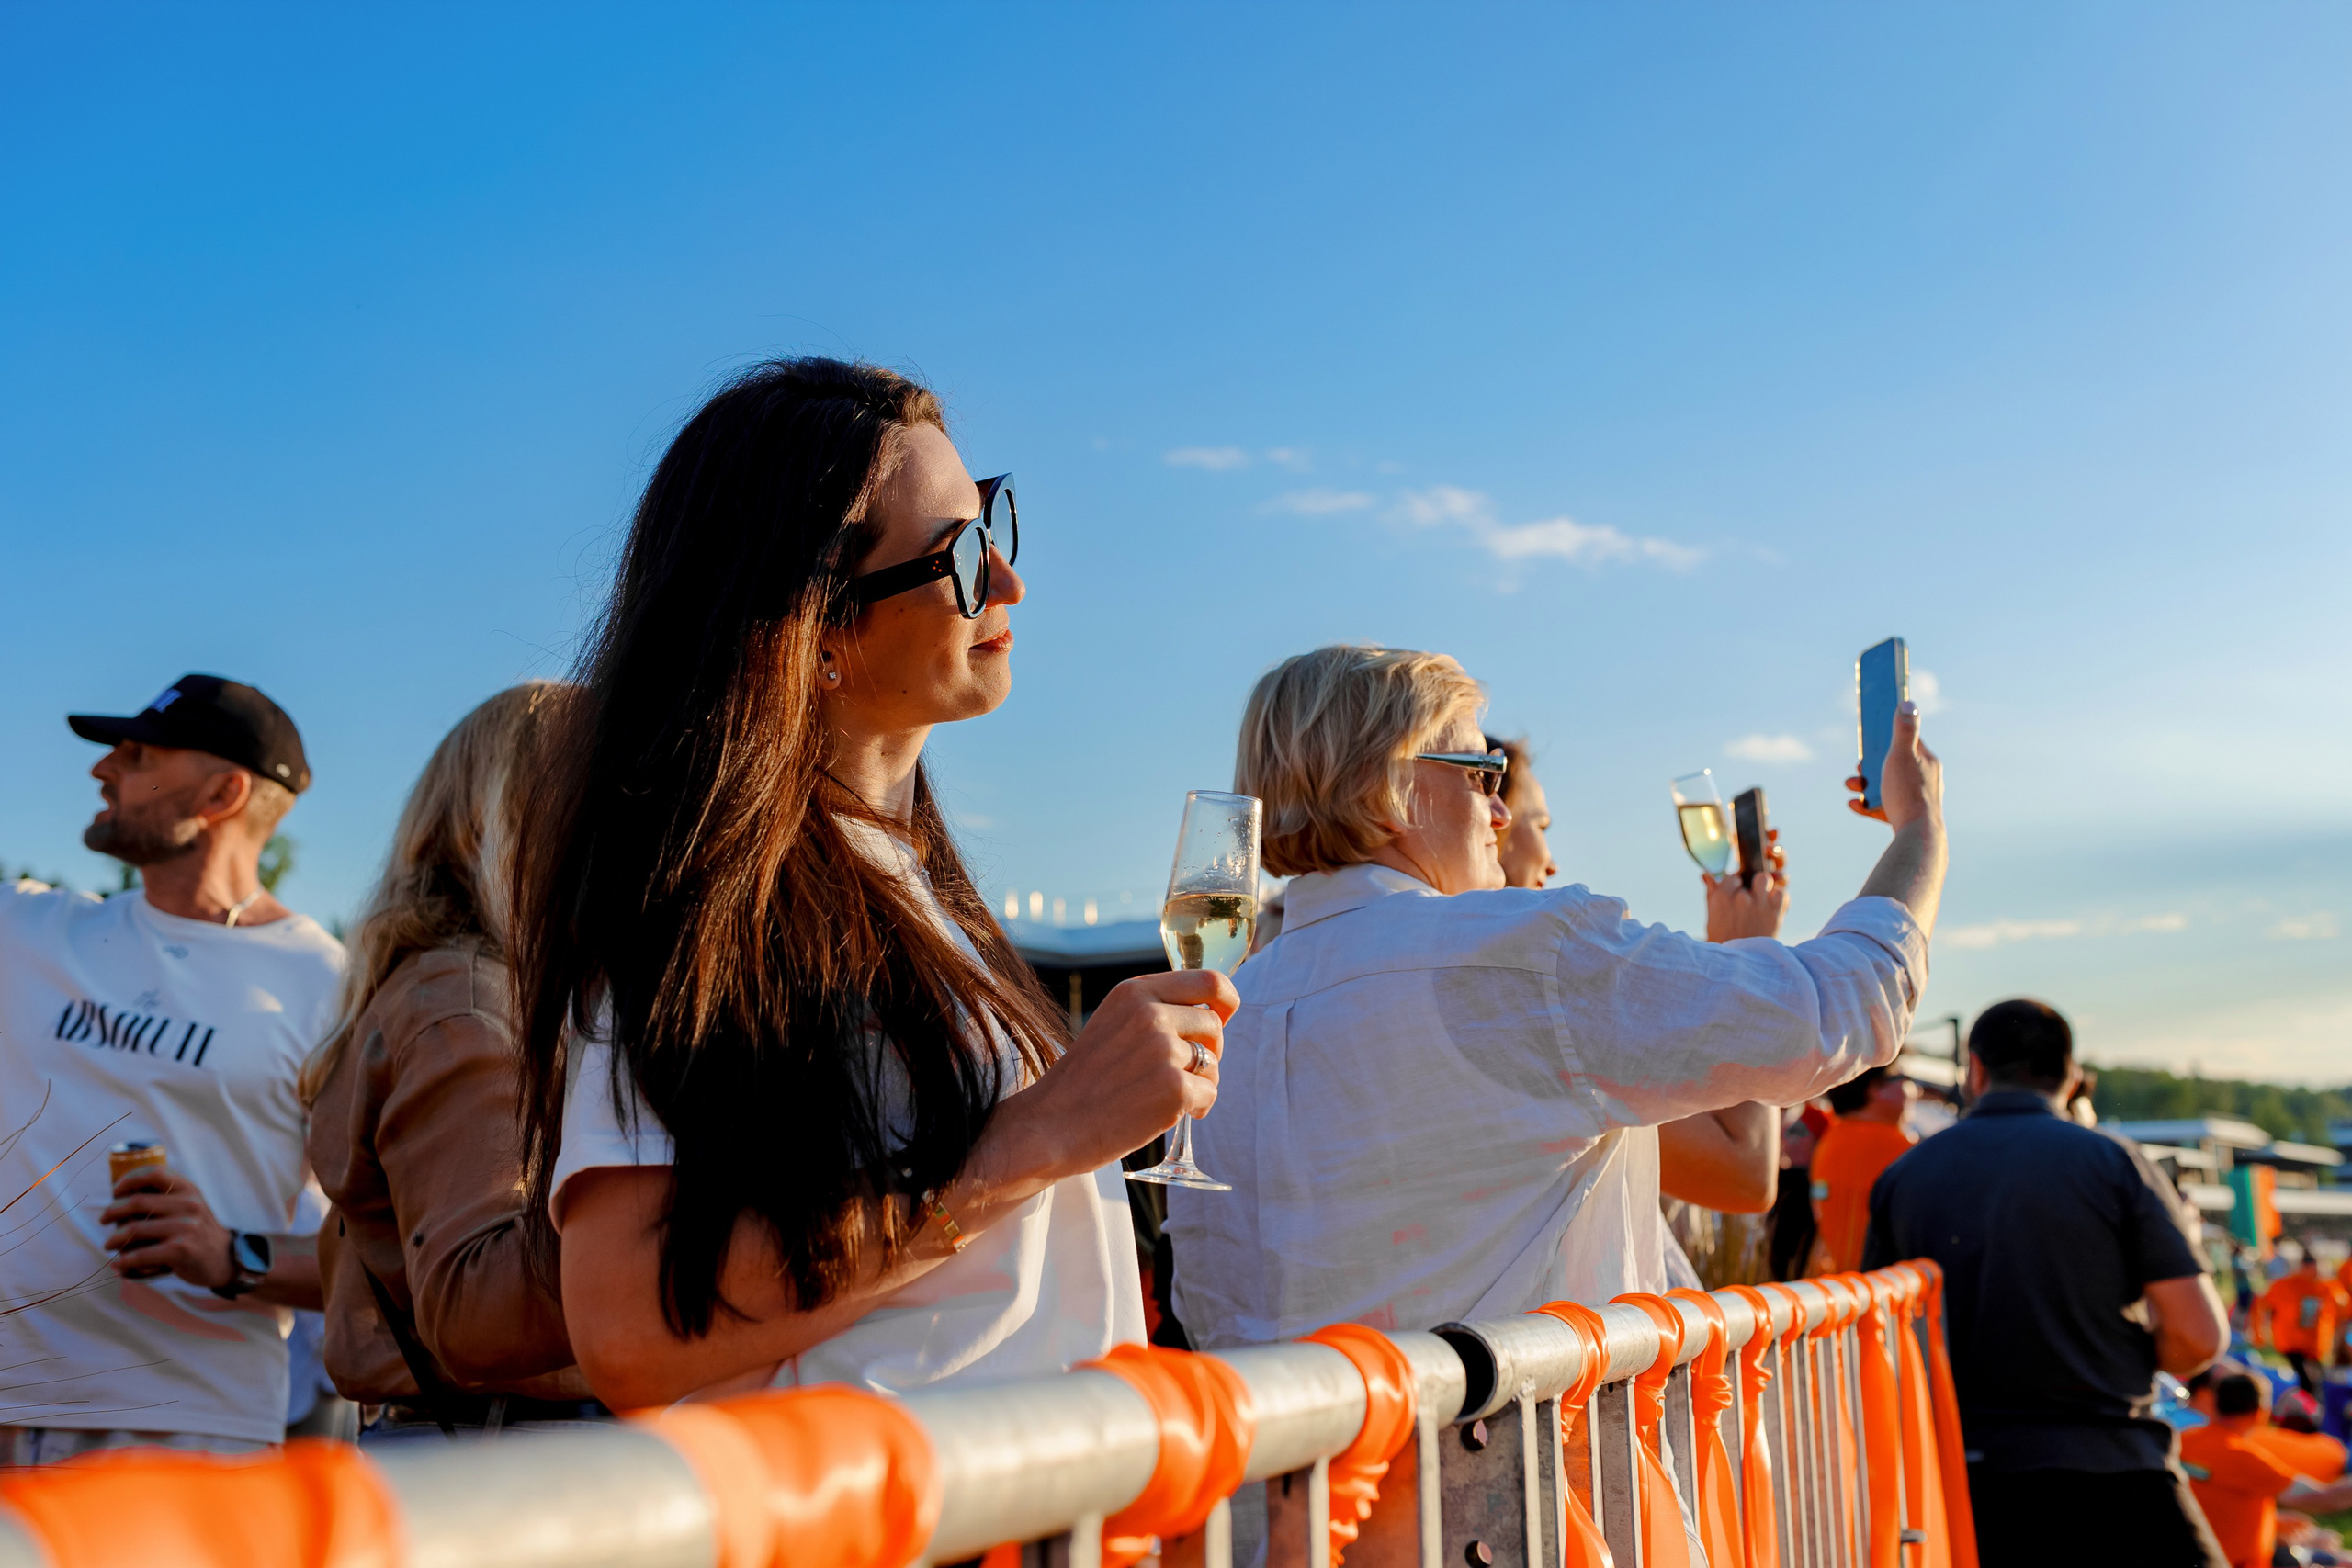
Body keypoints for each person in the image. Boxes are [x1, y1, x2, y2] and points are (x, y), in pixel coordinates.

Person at [512, 359, 1232, 1408]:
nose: (1008, 583)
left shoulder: (912, 886)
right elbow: (630, 1327)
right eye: (963, 554)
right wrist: (1036, 1137)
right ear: (818, 628)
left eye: (994, 521)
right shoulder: (711, 899)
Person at [1168, 644, 1943, 1343]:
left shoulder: (1223, 1017)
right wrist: (1921, 829)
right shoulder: (1522, 955)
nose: (1498, 814)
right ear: (1396, 791)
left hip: (1276, 1493)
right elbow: (1841, 1004)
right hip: (1518, 1485)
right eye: (1482, 774)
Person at [0, 674, 343, 1462]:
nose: (103, 769)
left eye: (138, 752)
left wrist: (233, 1254)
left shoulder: (329, 986)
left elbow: (390, 1257)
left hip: (192, 1435)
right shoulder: (27, 928)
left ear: (222, 793)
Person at [305, 683, 599, 1437]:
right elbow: (481, 1305)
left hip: (485, 1444)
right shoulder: (464, 1001)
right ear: (523, 814)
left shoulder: (460, 986)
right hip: (510, 1454)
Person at [1863, 998, 2233, 1566]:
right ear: (2071, 1075)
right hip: (2115, 1471)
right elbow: (2199, 1336)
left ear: (1976, 1070)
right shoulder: (2118, 1164)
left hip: (1964, 1483)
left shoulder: (1903, 1177)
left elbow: (1876, 1345)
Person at [1487, 736, 1788, 1275]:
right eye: (1542, 826)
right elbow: (1744, 1172)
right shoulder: (1538, 1008)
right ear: (1493, 820)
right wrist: (1747, 954)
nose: (1551, 863)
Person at [2180, 1373, 2352, 1568]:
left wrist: (2273, 1521)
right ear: (2261, 1412)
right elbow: (2323, 1497)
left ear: (2215, 1403)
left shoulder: (2184, 1441)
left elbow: (2212, 1501)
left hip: (2195, 1553)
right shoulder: (2244, 1458)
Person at [1808, 1066, 1917, 1274]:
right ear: (1876, 1088)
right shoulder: (1898, 1149)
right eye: (1904, 1078)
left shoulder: (1830, 1140)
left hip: (1838, 1284)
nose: (1914, 1090)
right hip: (1886, 1287)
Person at [2253, 1247, 2346, 1399]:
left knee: (2319, 1381)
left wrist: (2340, 1338)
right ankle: (2303, 1410)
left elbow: (2344, 1310)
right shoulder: (2286, 1286)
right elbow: (2261, 1304)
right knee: (2306, 1379)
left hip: (2316, 1346)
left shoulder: (2328, 1287)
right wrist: (2258, 1331)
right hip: (2291, 1343)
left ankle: (2312, 1408)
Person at [1769, 1106, 1829, 1282]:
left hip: (1801, 1267)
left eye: (1798, 1132)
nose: (1790, 1138)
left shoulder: (1817, 1183)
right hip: (1774, 1263)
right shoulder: (1775, 1177)